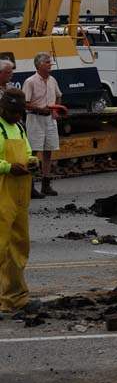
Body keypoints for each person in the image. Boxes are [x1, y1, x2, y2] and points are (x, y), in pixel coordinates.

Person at [0, 89, 40, 316]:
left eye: (20, 112)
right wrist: (7, 167)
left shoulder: (20, 127)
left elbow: (26, 152)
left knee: (18, 246)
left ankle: (15, 298)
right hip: (2, 192)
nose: (17, 116)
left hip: (18, 196)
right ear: (3, 108)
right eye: (13, 112)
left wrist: (31, 161)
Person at [23, 52, 62, 198]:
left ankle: (46, 185)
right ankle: (30, 186)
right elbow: (25, 104)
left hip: (49, 120)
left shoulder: (52, 80)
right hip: (35, 119)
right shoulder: (30, 81)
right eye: (47, 62)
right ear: (39, 65)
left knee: (48, 151)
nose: (50, 64)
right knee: (33, 152)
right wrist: (42, 109)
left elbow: (59, 95)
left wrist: (56, 110)